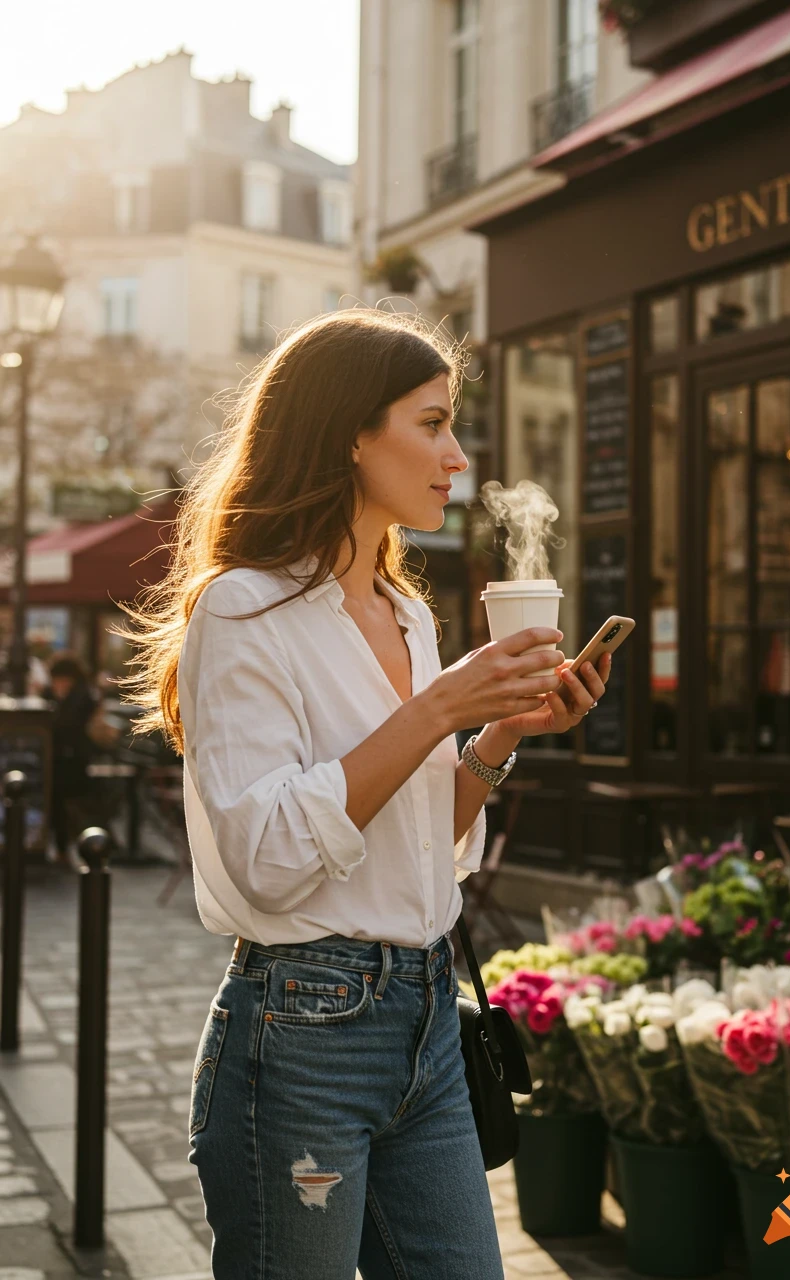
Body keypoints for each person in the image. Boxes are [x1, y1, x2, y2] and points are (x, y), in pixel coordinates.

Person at [116, 308, 610, 1279]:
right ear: (350, 431)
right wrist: (438, 709)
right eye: (431, 423)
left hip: (427, 1016)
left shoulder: (407, 611)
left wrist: (503, 728)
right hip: (302, 1030)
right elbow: (267, 850)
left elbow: (426, 838)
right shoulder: (241, 606)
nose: (456, 455)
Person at [43, 650, 99, 865]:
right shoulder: (58, 694)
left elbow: (68, 726)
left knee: (58, 797)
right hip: (63, 759)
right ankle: (60, 847)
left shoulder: (82, 696)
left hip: (74, 761)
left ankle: (63, 849)